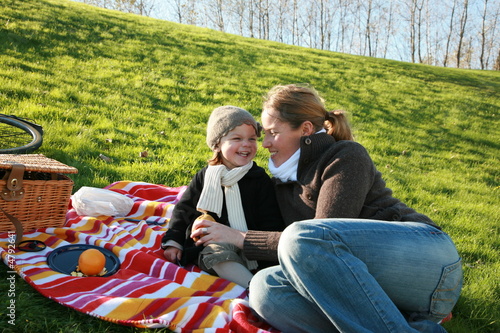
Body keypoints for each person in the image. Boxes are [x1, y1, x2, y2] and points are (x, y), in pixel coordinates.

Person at [191, 84, 462, 332]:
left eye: (273, 132)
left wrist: (238, 237)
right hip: (370, 286)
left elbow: (319, 237)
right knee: (265, 289)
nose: (265, 143)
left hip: (426, 261)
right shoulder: (282, 183)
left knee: (304, 236)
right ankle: (405, 325)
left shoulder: (345, 155)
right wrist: (209, 226)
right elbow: (306, 256)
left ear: (306, 130)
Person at [162, 105, 284, 287]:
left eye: (252, 139)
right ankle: (251, 286)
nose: (246, 144)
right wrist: (174, 242)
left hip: (248, 243)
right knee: (216, 253)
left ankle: (259, 285)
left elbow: (270, 219)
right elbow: (183, 210)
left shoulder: (259, 179)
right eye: (237, 138)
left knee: (258, 262)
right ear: (217, 144)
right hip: (214, 245)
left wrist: (259, 246)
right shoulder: (206, 176)